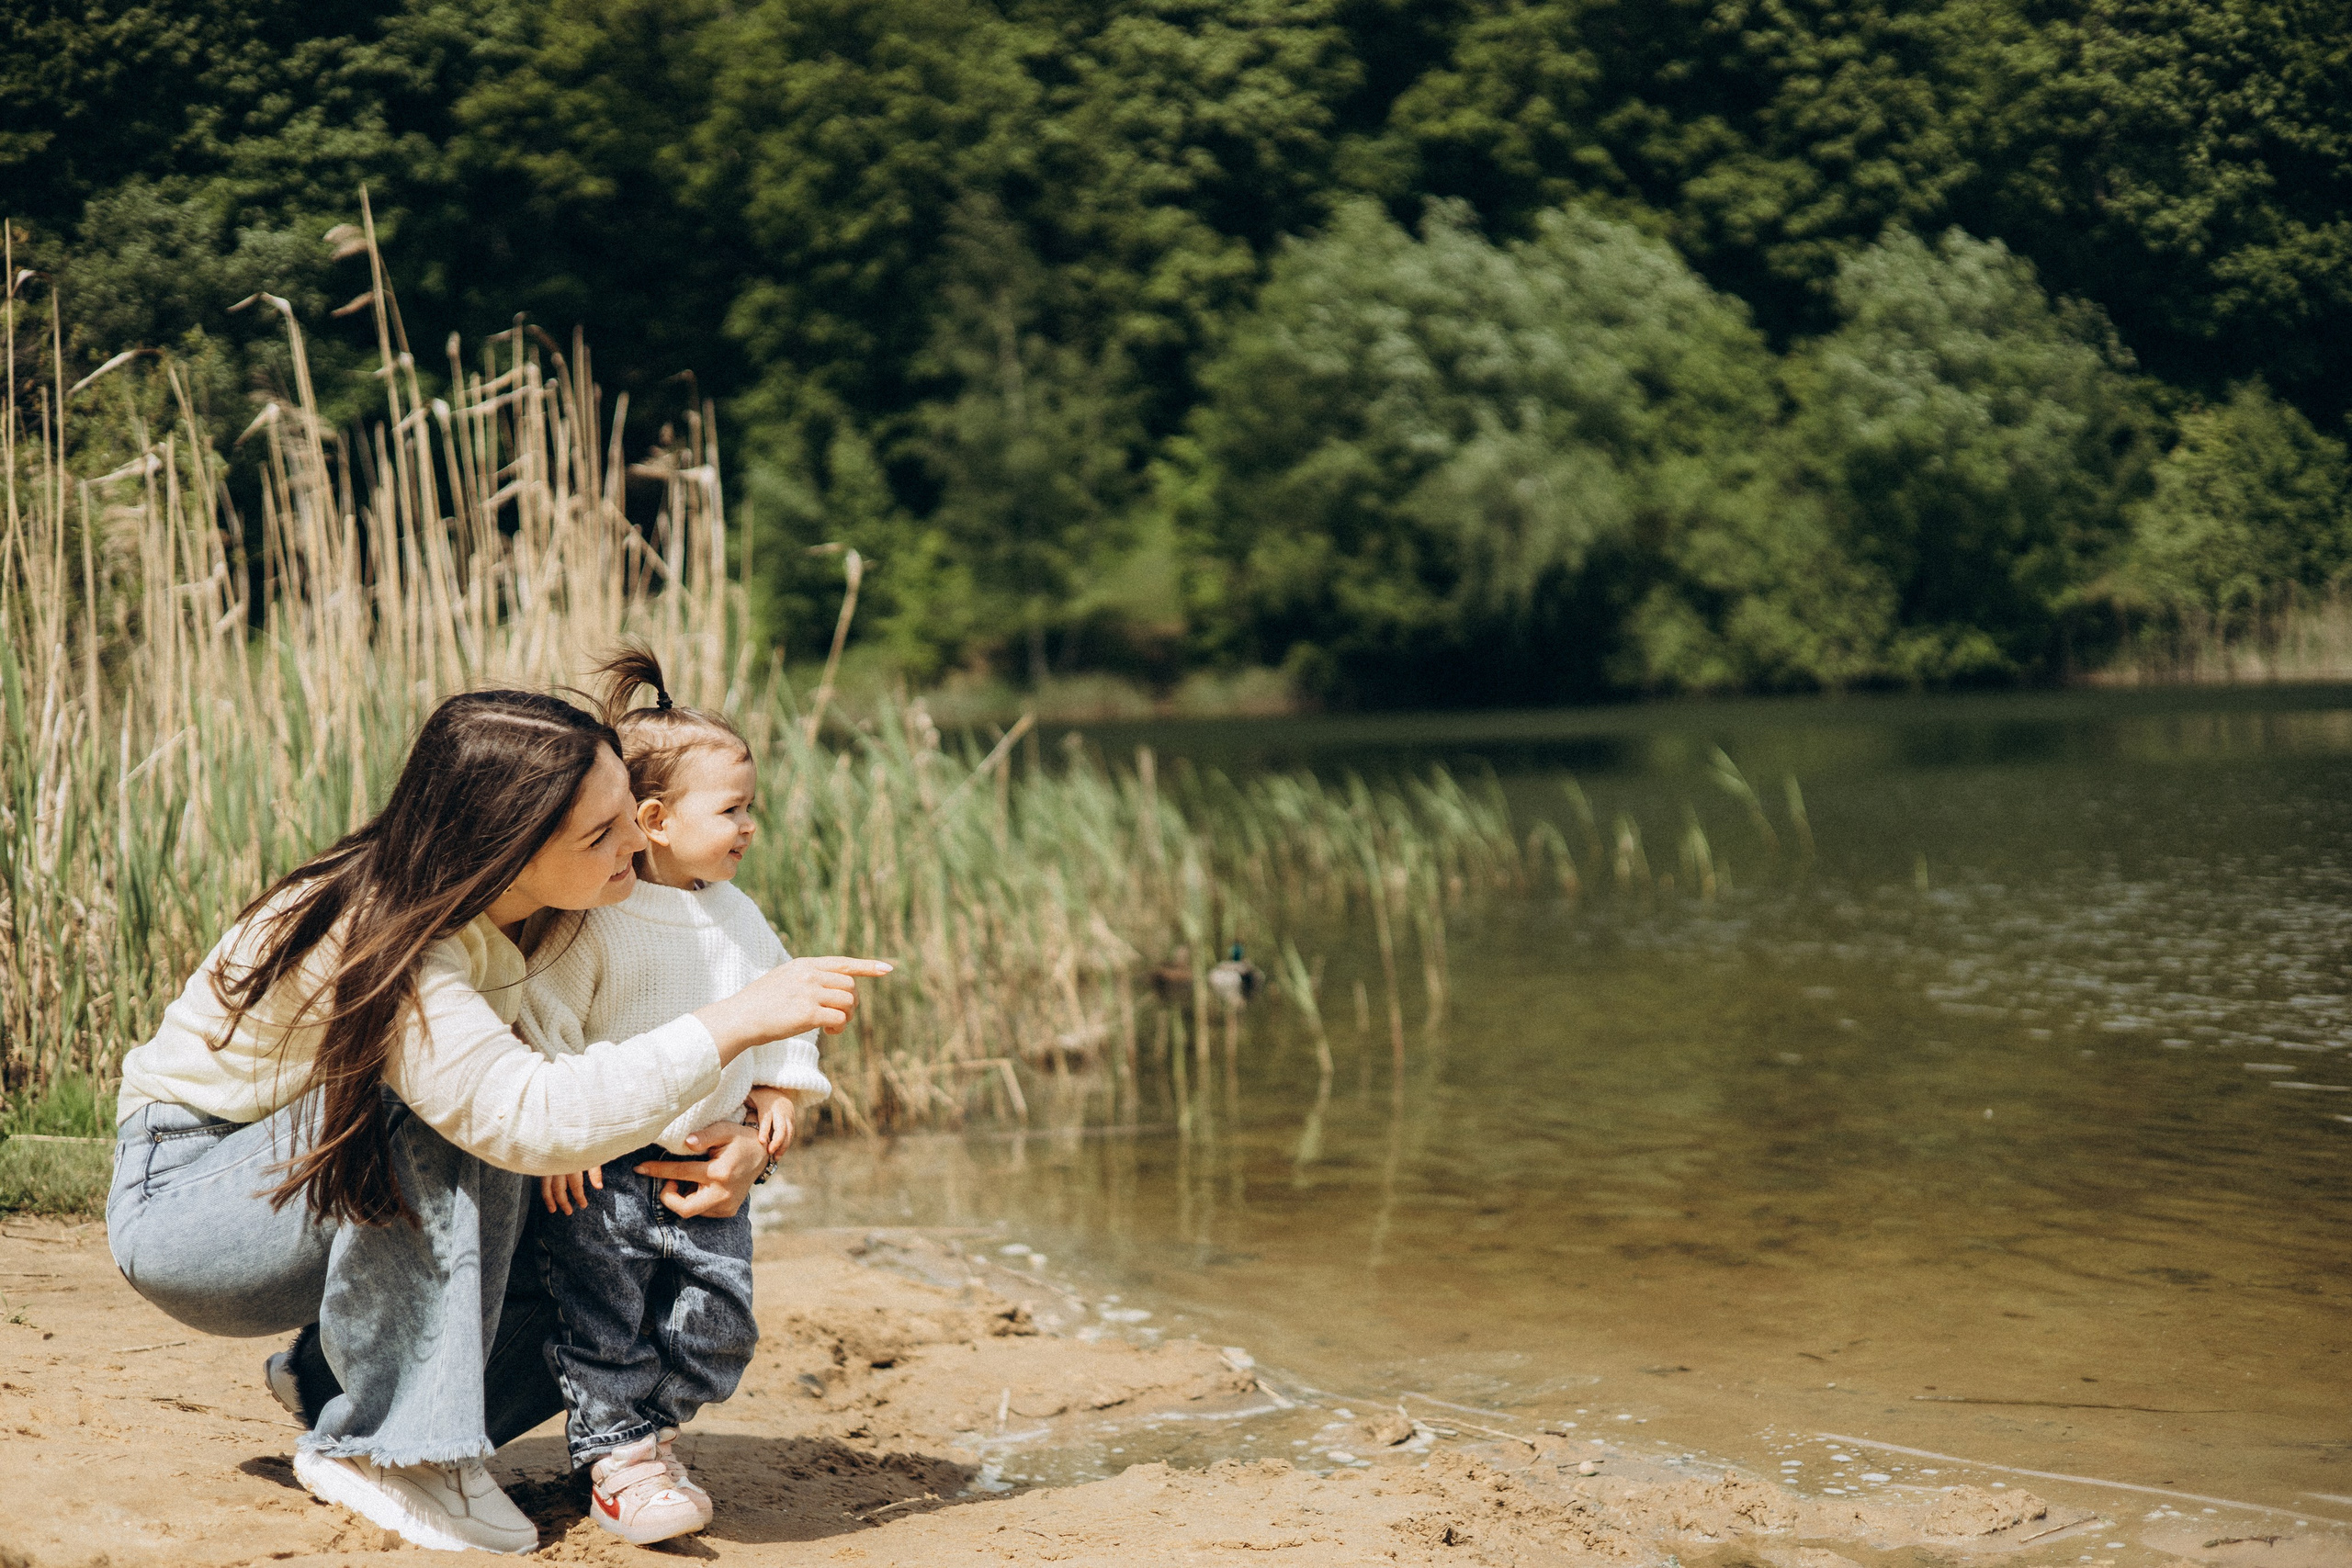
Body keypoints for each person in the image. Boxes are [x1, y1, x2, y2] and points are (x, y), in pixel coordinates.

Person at [104, 689, 890, 1554]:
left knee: (605, 1241)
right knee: (468, 1108)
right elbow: (525, 1113)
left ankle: (333, 1379)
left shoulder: (571, 907)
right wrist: (737, 1019)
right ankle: (392, 1448)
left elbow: (635, 1056)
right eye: (602, 834)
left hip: (317, 1193)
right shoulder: (392, 932)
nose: (636, 843)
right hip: (197, 1206)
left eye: (629, 814)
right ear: (512, 848)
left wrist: (742, 1141)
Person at [515, 648, 833, 1545]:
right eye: (732, 809)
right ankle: (620, 1459)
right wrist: (565, 1139)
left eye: (750, 807)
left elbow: (782, 1000)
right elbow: (546, 1023)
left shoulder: (739, 914)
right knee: (607, 1317)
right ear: (653, 820)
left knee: (716, 1326)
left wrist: (779, 1087)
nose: (750, 826)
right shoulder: (598, 918)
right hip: (604, 1171)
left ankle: (642, 1431)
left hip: (705, 1155)